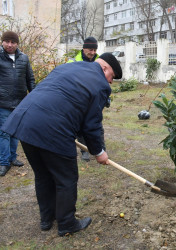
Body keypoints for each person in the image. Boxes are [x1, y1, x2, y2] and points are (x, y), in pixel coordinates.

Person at [1, 53, 122, 236]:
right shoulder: (100, 84)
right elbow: (92, 125)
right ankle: (67, 224)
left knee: (43, 175)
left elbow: (71, 106)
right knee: (66, 179)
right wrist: (99, 152)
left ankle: (46, 220)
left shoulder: (68, 67)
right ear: (104, 69)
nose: (110, 82)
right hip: (54, 129)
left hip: (25, 123)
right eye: (112, 76)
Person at [0, 31, 35, 177]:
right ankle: (3, 162)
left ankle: (13, 157)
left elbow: (30, 79)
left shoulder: (24, 58)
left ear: (17, 43)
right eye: (6, 41)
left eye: (12, 42)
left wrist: (34, 97)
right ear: (2, 42)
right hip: (3, 102)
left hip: (21, 102)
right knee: (3, 133)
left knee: (15, 132)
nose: (9, 44)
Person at [68, 36, 104, 162]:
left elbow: (104, 81)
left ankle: (101, 149)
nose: (93, 52)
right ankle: (85, 151)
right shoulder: (73, 62)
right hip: (79, 100)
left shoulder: (99, 62)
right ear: (83, 49)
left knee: (97, 124)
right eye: (90, 49)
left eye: (94, 50)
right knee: (80, 127)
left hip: (95, 100)